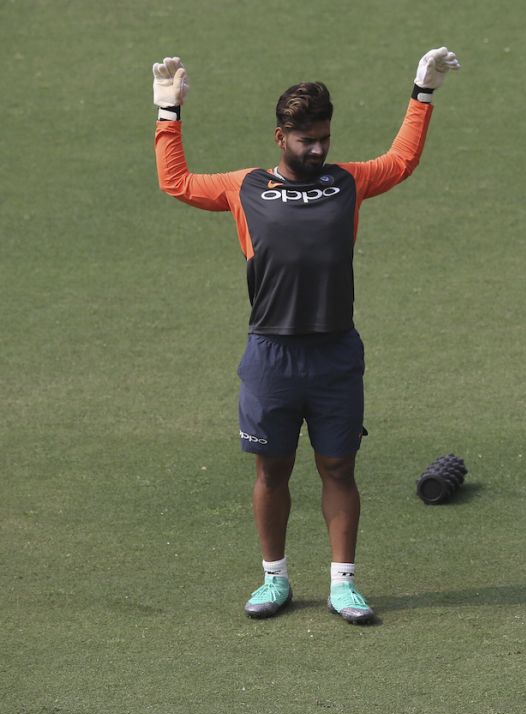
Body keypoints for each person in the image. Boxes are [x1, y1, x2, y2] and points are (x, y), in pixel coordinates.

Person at [151, 48, 460, 624]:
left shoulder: (349, 182)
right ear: (280, 136)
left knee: (339, 468)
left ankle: (343, 583)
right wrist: (169, 113)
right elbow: (177, 184)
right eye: (306, 141)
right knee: (272, 470)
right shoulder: (244, 187)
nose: (319, 150)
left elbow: (401, 161)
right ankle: (275, 579)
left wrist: (423, 96)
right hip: (270, 353)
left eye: (324, 138)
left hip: (335, 352)